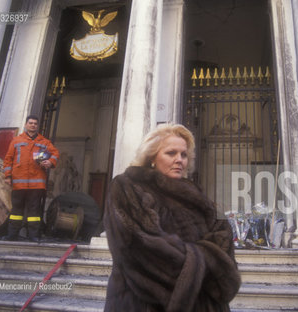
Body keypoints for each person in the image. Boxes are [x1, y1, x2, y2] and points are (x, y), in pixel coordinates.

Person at [103, 124, 241, 312]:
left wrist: (202, 265)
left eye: (184, 154)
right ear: (152, 157)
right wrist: (204, 263)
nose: (179, 160)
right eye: (171, 153)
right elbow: (141, 248)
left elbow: (223, 235)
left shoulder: (194, 192)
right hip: (145, 303)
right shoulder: (128, 187)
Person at [3, 115, 59, 242]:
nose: (33, 125)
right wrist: (7, 176)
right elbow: (8, 159)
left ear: (37, 126)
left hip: (36, 184)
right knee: (16, 210)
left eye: (35, 123)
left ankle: (33, 235)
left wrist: (50, 162)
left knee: (34, 212)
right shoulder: (16, 141)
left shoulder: (44, 142)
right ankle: (12, 235)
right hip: (18, 183)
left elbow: (55, 153)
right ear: (26, 125)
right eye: (31, 123)